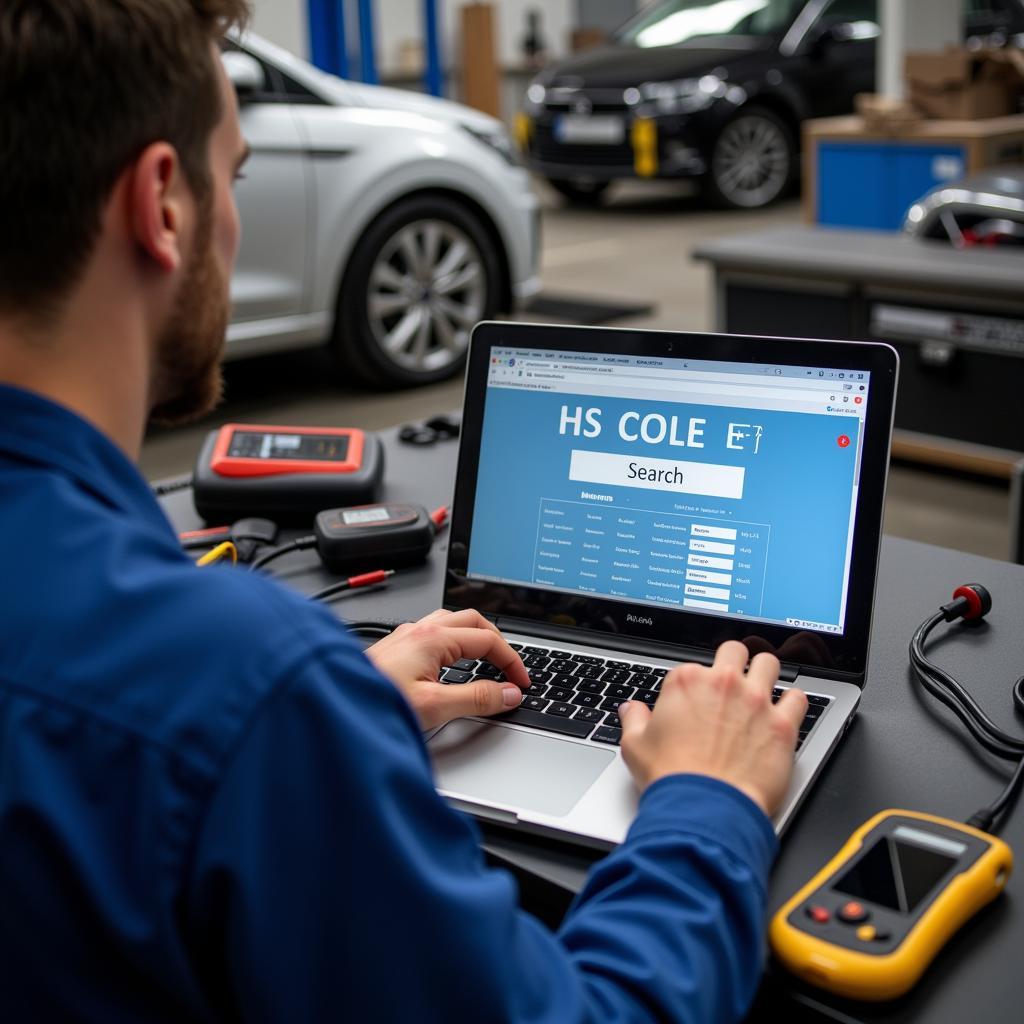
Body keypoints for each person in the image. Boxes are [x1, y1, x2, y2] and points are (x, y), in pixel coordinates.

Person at [0, 2, 808, 1020]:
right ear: (163, 205)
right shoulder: (241, 683)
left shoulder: (234, 693)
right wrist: (710, 800)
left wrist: (335, 719)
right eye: (236, 173)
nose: (236, 214)